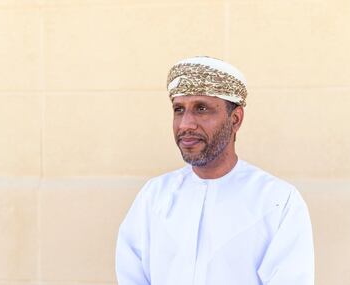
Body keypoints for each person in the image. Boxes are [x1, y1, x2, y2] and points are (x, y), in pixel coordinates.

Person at [115, 56, 314, 285]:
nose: (185, 124)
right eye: (179, 110)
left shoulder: (277, 201)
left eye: (202, 109)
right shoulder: (154, 196)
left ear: (235, 119)